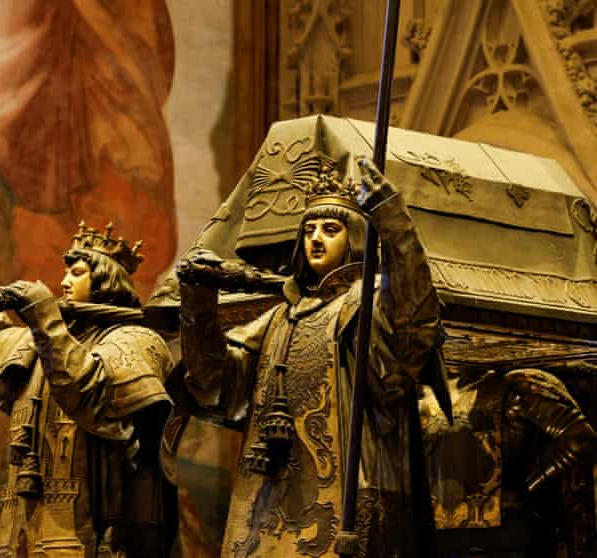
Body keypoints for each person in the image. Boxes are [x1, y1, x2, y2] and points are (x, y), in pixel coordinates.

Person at [176, 157, 441, 557]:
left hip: (344, 501)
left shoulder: (365, 305)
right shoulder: (279, 317)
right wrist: (198, 300)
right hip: (267, 505)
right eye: (308, 230)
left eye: (331, 230)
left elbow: (411, 323)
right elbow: (214, 382)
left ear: (355, 237)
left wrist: (394, 225)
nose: (315, 239)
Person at [0, 222, 176, 557]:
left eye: (77, 272)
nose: (64, 282)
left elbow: (91, 393)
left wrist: (44, 314)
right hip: (25, 524)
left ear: (106, 280)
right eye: (66, 273)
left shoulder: (136, 340)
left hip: (93, 526)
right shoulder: (41, 340)